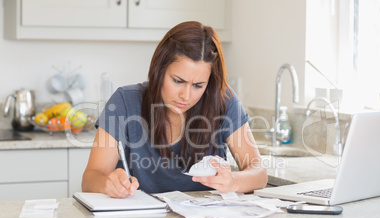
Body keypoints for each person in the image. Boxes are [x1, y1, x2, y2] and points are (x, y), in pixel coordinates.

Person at [82, 21, 267, 198]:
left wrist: (233, 181)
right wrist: (108, 184)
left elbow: (259, 173)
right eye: (178, 81)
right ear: (159, 70)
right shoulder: (124, 101)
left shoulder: (223, 100)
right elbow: (91, 178)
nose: (186, 96)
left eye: (198, 85)